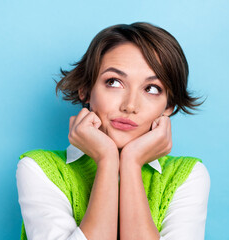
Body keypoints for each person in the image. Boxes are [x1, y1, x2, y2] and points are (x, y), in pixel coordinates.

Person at [16, 22, 210, 240]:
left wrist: (131, 162)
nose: (130, 105)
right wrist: (107, 159)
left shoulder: (187, 176)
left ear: (168, 107)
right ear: (86, 90)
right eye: (114, 82)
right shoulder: (39, 169)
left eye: (152, 89)